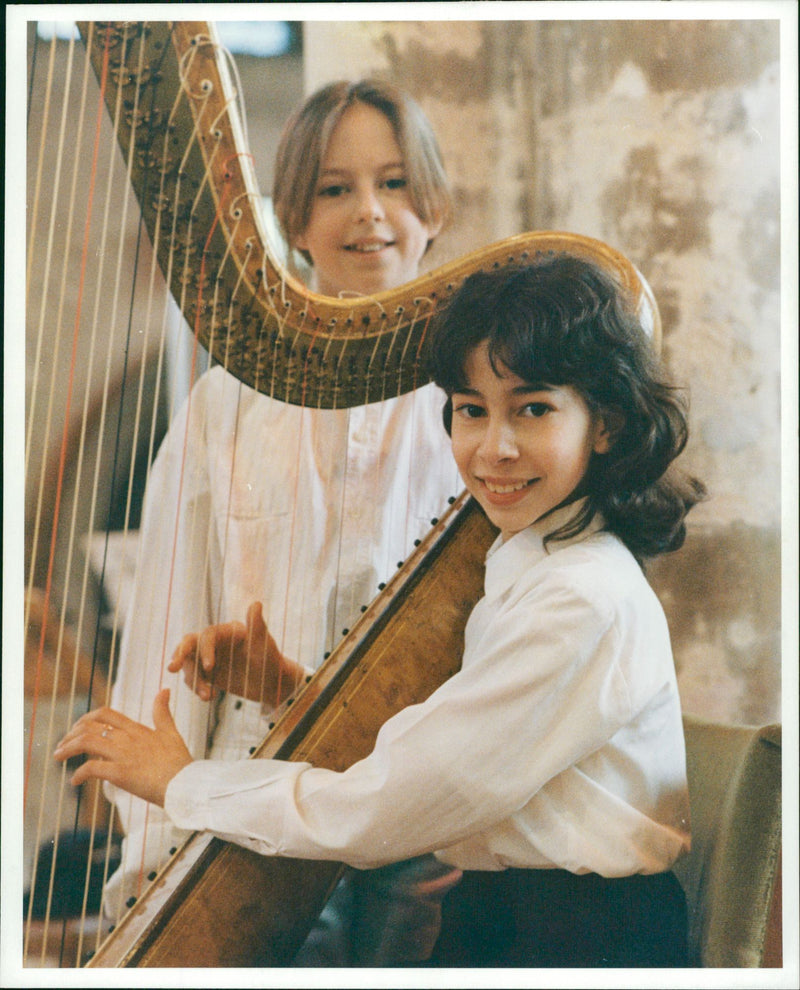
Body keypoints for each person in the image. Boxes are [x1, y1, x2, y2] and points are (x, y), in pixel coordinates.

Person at [57, 252, 706, 967]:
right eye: (470, 410)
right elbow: (441, 752)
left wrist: (180, 783)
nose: (494, 447)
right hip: (517, 922)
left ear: (606, 423)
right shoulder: (537, 566)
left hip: (574, 945)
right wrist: (288, 693)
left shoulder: (581, 600)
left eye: (534, 409)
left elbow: (382, 808)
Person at [102, 79, 462, 961]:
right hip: (241, 821)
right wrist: (156, 864)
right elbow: (163, 646)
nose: (368, 213)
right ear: (292, 220)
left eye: (394, 183)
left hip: (422, 827)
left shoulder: (479, 414)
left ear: (434, 209)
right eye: (335, 189)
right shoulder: (221, 410)